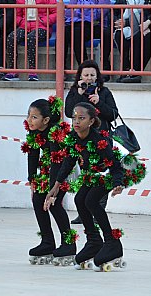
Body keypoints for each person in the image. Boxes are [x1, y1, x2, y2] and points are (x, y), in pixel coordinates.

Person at [44, 103, 144, 270]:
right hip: (93, 173)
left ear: (91, 121)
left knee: (91, 201)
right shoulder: (74, 137)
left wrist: (118, 184)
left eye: (81, 118)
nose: (76, 121)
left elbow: (115, 165)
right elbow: (68, 162)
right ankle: (94, 241)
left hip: (112, 172)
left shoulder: (99, 141)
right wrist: (56, 185)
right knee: (79, 199)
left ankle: (112, 242)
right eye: (74, 118)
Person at [23, 97, 77, 265]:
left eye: (34, 117)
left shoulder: (55, 132)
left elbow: (57, 161)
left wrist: (53, 191)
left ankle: (69, 243)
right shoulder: (34, 131)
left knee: (54, 203)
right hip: (48, 168)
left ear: (45, 120)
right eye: (29, 116)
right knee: (38, 200)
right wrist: (32, 179)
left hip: (64, 169)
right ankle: (47, 242)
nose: (29, 120)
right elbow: (32, 156)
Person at [64, 60, 119, 224]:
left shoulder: (104, 92)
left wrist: (99, 103)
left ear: (97, 76)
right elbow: (68, 112)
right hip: (82, 141)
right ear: (80, 76)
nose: (89, 78)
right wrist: (80, 95)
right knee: (85, 174)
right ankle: (84, 212)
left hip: (102, 141)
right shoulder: (75, 91)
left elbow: (113, 114)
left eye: (92, 75)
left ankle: (97, 210)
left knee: (101, 175)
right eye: (86, 75)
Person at [3, 0, 57, 81]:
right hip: (24, 26)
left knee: (31, 38)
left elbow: (56, 12)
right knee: (11, 38)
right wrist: (21, 22)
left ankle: (32, 71)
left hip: (42, 27)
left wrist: (44, 20)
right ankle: (13, 70)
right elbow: (17, 15)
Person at [63, 0, 113, 78]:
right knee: (63, 33)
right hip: (77, 24)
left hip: (96, 25)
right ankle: (62, 69)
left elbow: (98, 14)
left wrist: (78, 11)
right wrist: (86, 11)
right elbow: (68, 13)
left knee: (78, 31)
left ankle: (87, 69)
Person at [113, 0, 151, 83]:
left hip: (143, 26)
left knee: (138, 36)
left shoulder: (146, 1)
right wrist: (117, 21)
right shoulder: (123, 1)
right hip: (126, 27)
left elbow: (147, 16)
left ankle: (135, 72)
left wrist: (126, 22)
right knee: (118, 35)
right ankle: (125, 69)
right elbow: (113, 12)